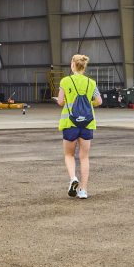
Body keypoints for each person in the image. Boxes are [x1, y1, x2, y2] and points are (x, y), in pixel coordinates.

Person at [55, 54, 102, 199]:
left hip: (70, 123)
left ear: (72, 65)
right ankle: (83, 190)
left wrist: (59, 100)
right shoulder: (91, 83)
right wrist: (88, 104)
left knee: (69, 155)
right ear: (84, 66)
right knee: (84, 157)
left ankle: (73, 178)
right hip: (87, 123)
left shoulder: (65, 81)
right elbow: (99, 101)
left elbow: (61, 102)